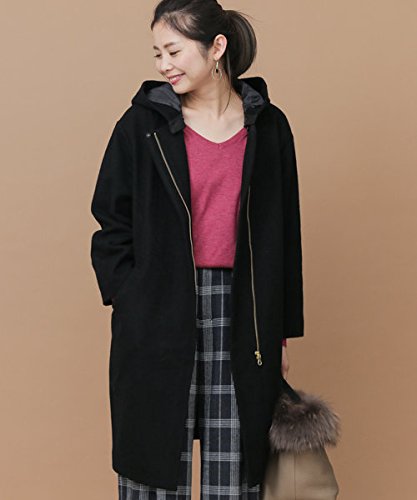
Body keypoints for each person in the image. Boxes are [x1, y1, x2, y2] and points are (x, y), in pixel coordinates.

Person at [90, 0, 304, 498]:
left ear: (216, 47)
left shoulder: (268, 126)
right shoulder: (141, 125)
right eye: (157, 53)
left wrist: (280, 333)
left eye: (174, 51)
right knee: (153, 465)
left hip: (243, 311)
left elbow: (285, 235)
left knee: (237, 471)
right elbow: (111, 220)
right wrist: (130, 295)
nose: (164, 64)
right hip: (159, 306)